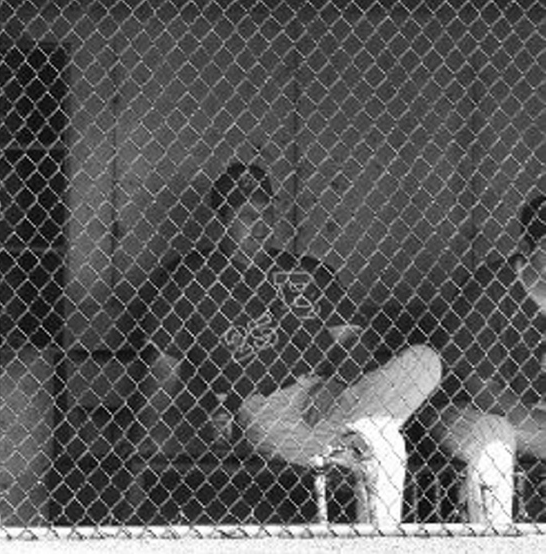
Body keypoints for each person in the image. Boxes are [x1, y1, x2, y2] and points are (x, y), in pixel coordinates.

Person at [138, 162, 442, 527]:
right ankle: (362, 458)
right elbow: (163, 371)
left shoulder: (309, 271)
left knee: (425, 360)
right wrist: (150, 432)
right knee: (385, 443)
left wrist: (335, 383)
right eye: (247, 214)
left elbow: (354, 342)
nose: (261, 223)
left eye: (267, 212)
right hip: (267, 408)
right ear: (220, 221)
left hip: (341, 395)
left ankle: (355, 439)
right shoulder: (188, 280)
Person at [430, 194, 546, 526]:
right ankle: (492, 542)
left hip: (537, 417)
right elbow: (483, 391)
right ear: (527, 245)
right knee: (494, 438)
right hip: (463, 410)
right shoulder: (491, 286)